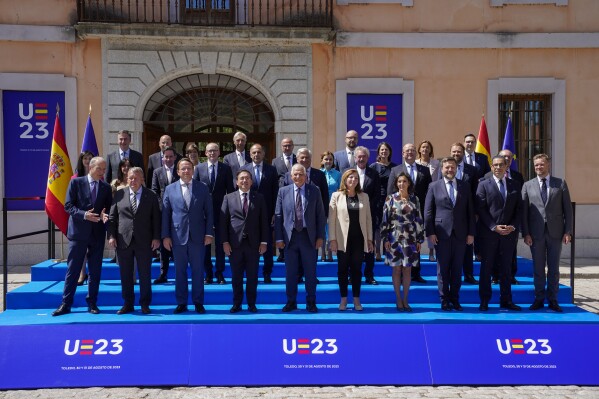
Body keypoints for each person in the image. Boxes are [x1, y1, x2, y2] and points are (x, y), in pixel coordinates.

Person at [52, 157, 112, 316]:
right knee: (73, 269)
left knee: (95, 270)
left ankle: (92, 302)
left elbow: (108, 209)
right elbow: (68, 206)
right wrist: (84, 215)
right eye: (100, 168)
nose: (103, 172)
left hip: (97, 234)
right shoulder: (76, 183)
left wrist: (106, 216)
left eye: (104, 169)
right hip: (78, 233)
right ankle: (66, 303)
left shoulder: (105, 187)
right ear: (91, 167)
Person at [162, 158, 214, 314]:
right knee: (180, 271)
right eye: (183, 169)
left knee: (198, 271)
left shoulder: (202, 188)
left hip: (198, 236)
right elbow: (166, 214)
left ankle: (198, 302)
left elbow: (209, 212)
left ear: (193, 170)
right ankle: (182, 302)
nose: (186, 171)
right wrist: (165, 236)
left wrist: (209, 233)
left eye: (189, 168)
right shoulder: (170, 189)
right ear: (178, 172)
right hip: (177, 237)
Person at [522, 154, 573, 312]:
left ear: (548, 165)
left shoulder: (560, 183)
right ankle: (538, 298)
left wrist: (568, 231)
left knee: (554, 268)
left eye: (541, 164)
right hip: (536, 234)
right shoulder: (527, 185)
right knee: (538, 268)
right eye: (536, 165)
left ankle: (553, 299)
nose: (538, 167)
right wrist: (526, 233)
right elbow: (524, 213)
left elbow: (568, 210)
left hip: (555, 233)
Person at [108, 167, 161, 315]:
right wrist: (111, 236)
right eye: (130, 178)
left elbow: (156, 218)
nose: (133, 181)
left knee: (145, 274)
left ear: (142, 179)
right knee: (125, 275)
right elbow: (112, 218)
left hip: (145, 241)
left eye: (136, 178)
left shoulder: (150, 195)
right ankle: (128, 304)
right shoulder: (119, 194)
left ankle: (145, 304)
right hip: (123, 240)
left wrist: (156, 238)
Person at [424, 157, 475, 311]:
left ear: (456, 168)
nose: (450, 170)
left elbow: (470, 212)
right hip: (441, 234)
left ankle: (455, 298)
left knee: (457, 268)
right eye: (447, 168)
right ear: (442, 169)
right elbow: (428, 212)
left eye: (452, 167)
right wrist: (430, 232)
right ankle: (444, 299)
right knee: (443, 269)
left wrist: (471, 233)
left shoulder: (465, 186)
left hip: (461, 234)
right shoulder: (434, 186)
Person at [275, 164, 326, 313]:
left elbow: (320, 216)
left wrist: (320, 237)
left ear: (306, 176)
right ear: (291, 176)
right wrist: (278, 238)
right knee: (290, 272)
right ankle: (291, 301)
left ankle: (311, 301)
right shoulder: (283, 192)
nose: (298, 177)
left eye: (301, 174)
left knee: (310, 271)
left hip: (308, 237)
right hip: (289, 237)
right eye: (295, 174)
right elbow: (278, 216)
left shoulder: (314, 191)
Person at [476, 155, 522, 311]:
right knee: (486, 268)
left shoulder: (515, 185)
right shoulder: (483, 185)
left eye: (501, 165)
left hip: (509, 235)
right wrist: (493, 227)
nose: (498, 168)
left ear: (506, 166)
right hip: (489, 234)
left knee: (506, 269)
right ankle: (484, 300)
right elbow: (480, 209)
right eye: (495, 165)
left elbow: (519, 210)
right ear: (491, 167)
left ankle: (506, 300)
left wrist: (513, 226)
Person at [221, 170, 269, 313]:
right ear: (237, 182)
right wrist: (224, 242)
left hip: (253, 244)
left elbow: (264, 222)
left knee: (252, 276)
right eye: (241, 178)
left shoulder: (259, 198)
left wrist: (264, 242)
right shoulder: (228, 198)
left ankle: (251, 304)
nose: (244, 181)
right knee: (236, 277)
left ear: (251, 181)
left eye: (247, 178)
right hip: (234, 244)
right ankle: (237, 303)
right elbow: (223, 222)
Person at [328, 169, 373, 311]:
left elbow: (368, 219)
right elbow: (332, 220)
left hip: (359, 239)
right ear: (345, 180)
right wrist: (333, 239)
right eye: (350, 178)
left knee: (357, 270)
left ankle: (356, 300)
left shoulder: (364, 196)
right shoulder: (336, 196)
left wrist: (370, 239)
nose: (353, 180)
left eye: (355, 178)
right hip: (342, 240)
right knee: (342, 270)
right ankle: (343, 300)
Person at [387, 143, 432, 284]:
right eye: (407, 151)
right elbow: (390, 191)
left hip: (417, 212)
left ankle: (416, 273)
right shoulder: (395, 170)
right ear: (403, 153)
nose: (410, 153)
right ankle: (400, 273)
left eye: (413, 150)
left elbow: (428, 192)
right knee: (400, 244)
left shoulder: (424, 170)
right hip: (399, 215)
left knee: (416, 242)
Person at [381, 172, 424, 312]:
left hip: (410, 238)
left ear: (409, 183)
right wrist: (385, 238)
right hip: (394, 237)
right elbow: (385, 219)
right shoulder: (390, 198)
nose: (401, 184)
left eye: (404, 181)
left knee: (407, 269)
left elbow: (419, 220)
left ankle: (406, 299)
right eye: (399, 182)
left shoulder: (415, 199)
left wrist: (419, 239)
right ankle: (398, 299)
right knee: (397, 268)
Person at [193, 142, 235, 284]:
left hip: (221, 212)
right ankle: (208, 273)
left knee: (220, 243)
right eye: (210, 151)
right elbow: (195, 191)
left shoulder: (226, 169)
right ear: (205, 153)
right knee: (205, 244)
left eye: (215, 151)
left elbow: (230, 191)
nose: (212, 153)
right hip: (203, 213)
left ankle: (220, 273)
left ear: (219, 153)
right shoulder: (198, 168)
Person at [486, 149, 524, 285]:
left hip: (510, 227)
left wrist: (513, 225)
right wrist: (493, 225)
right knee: (493, 255)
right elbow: (482, 206)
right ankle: (495, 276)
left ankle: (510, 277)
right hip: (492, 227)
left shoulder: (517, 178)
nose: (505, 160)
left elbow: (520, 205)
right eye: (503, 157)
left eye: (508, 158)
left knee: (510, 255)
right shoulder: (486, 178)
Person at [241, 144, 279, 283]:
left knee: (267, 243)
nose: (256, 155)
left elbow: (276, 192)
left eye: (259, 152)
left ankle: (267, 272)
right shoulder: (244, 170)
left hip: (267, 213)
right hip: (249, 213)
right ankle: (252, 272)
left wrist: (275, 212)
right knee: (250, 245)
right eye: (253, 152)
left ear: (263, 154)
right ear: (250, 155)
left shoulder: (271, 170)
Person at [450, 142, 479, 285]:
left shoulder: (472, 170)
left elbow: (476, 193)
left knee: (468, 246)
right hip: (449, 215)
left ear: (463, 153)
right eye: (454, 152)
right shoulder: (444, 168)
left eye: (458, 152)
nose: (456, 154)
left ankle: (468, 274)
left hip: (467, 214)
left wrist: (475, 213)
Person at [151, 147, 179, 284]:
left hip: (178, 213)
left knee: (178, 243)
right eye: (165, 157)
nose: (168, 159)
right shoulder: (157, 172)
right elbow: (154, 191)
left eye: (170, 156)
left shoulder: (179, 171)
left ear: (174, 157)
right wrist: (163, 207)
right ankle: (163, 274)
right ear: (162, 158)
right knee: (163, 245)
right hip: (162, 213)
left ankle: (180, 273)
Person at [354, 146, 381, 285]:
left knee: (369, 246)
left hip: (369, 215)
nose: (361, 159)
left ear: (367, 158)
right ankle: (352, 275)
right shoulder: (348, 172)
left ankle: (369, 275)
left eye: (364, 156)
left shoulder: (374, 174)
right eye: (359, 156)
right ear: (355, 158)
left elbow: (377, 194)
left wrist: (366, 207)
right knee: (352, 247)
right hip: (352, 216)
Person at [369, 142, 397, 261]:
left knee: (389, 225)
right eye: (382, 150)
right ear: (378, 152)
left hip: (391, 200)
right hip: (377, 199)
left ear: (389, 152)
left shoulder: (395, 167)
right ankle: (377, 250)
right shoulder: (373, 167)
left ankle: (388, 250)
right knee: (377, 226)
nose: (384, 152)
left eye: (386, 150)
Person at [272, 137, 297, 262]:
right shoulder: (275, 161)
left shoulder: (298, 159)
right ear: (281, 147)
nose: (287, 148)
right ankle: (282, 252)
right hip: (281, 196)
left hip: (296, 195)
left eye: (289, 145)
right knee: (281, 223)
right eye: (284, 146)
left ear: (293, 146)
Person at [72, 150, 94, 286]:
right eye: (85, 158)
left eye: (90, 158)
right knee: (81, 251)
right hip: (80, 219)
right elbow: (70, 202)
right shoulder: (75, 178)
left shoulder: (99, 177)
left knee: (92, 250)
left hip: (94, 219)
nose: (87, 161)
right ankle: (81, 274)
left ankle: (91, 274)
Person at [416, 140, 440, 261]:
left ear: (430, 150)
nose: (425, 149)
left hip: (433, 198)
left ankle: (431, 251)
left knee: (430, 225)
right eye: (423, 147)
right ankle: (417, 251)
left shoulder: (437, 164)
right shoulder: (415, 163)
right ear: (419, 150)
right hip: (419, 199)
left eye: (427, 147)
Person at [320, 151, 341, 261]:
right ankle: (322, 253)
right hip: (321, 205)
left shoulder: (338, 174)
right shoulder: (319, 173)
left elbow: (341, 190)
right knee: (322, 229)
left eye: (330, 159)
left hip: (334, 205)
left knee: (331, 228)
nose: (328, 161)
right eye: (326, 159)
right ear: (322, 161)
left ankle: (330, 253)